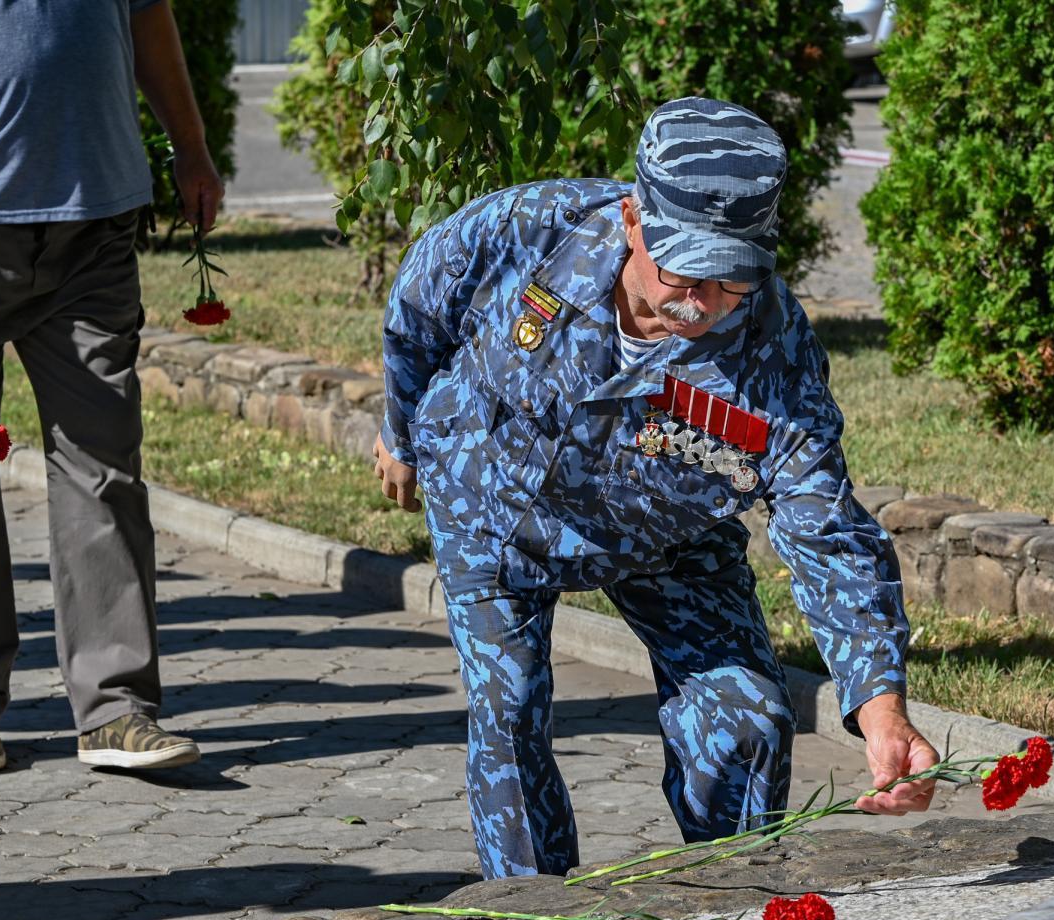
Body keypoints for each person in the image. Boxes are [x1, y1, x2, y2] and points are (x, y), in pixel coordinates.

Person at [374, 97, 938, 878]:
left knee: (749, 718)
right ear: (634, 220)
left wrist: (881, 708)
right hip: (496, 502)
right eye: (685, 270)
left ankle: (732, 894)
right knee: (507, 717)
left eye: (731, 280)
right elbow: (415, 313)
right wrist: (400, 433)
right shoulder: (527, 230)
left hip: (664, 531)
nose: (703, 304)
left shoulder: (773, 344)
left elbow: (826, 525)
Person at [0, 0, 219, 772]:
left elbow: (148, 16)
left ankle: (117, 709)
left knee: (104, 462)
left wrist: (189, 145)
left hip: (94, 220)